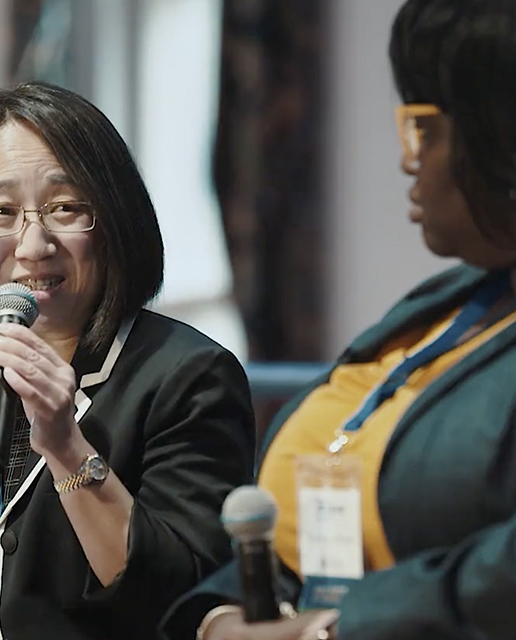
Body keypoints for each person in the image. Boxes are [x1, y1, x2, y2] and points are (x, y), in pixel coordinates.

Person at [163, 1, 516, 639]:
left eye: (424, 128)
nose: (409, 160)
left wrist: (328, 631)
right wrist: (219, 619)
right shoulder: (452, 299)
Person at [0, 81, 256, 640]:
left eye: (65, 208)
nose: (33, 244)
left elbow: (180, 601)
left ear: (113, 222)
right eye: (1, 211)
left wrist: (64, 445)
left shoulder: (189, 378)